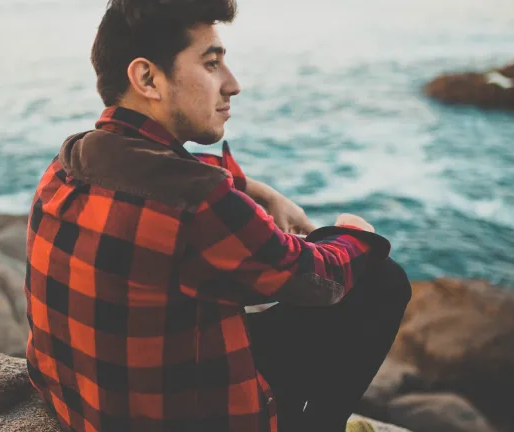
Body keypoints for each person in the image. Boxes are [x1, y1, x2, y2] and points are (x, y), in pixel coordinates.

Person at [23, 0, 411, 431]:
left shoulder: (70, 160)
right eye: (212, 65)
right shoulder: (200, 205)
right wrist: (353, 234)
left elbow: (158, 172)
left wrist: (258, 191)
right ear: (148, 78)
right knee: (380, 279)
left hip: (82, 405)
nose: (233, 84)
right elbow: (321, 279)